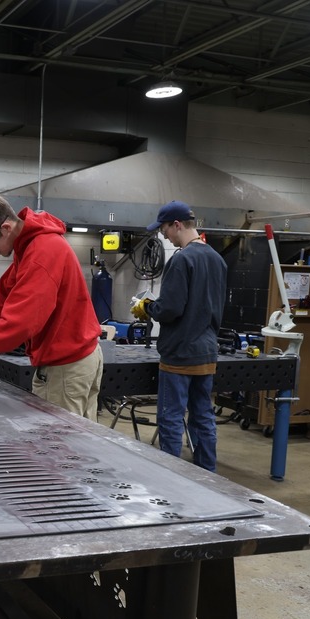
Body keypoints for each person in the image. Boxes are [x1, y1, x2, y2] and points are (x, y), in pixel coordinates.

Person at [0, 193, 104, 420]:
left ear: (6, 227)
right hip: (75, 360)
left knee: (58, 447)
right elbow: (4, 296)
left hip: (65, 367)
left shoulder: (42, 252)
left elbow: (20, 324)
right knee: (80, 443)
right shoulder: (30, 245)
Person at [131, 200, 227, 472]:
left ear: (177, 224)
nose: (163, 235)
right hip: (206, 353)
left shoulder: (182, 259)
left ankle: (172, 480)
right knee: (203, 417)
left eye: (164, 229)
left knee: (171, 419)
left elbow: (171, 309)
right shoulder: (217, 260)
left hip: (179, 355)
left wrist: (147, 306)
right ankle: (208, 475)